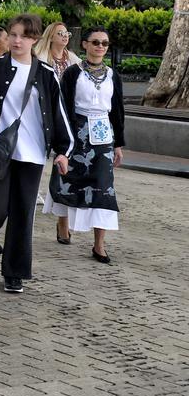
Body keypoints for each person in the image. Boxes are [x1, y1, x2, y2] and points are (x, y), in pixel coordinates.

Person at [0, 14, 74, 294]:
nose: (17, 41)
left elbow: (59, 114)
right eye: (13, 35)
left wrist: (63, 151)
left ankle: (14, 272)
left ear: (35, 39)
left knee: (22, 213)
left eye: (24, 36)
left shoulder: (46, 74)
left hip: (32, 154)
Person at [44, 27, 124, 263]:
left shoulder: (113, 75)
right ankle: (63, 222)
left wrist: (118, 144)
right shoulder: (72, 73)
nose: (100, 47)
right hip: (76, 132)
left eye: (105, 43)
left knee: (104, 186)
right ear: (85, 45)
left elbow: (117, 111)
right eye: (96, 42)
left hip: (103, 135)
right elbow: (63, 107)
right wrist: (62, 143)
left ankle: (99, 244)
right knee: (69, 180)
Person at [33, 21, 82, 229]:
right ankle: (34, 188)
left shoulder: (73, 60)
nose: (64, 36)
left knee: (63, 155)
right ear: (51, 36)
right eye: (60, 33)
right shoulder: (41, 57)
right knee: (39, 150)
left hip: (66, 111)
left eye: (66, 33)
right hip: (46, 109)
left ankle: (61, 205)